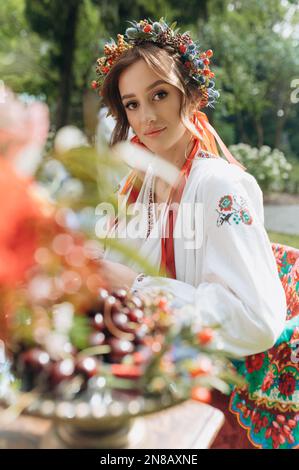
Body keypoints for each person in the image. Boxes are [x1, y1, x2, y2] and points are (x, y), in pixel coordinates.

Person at [93, 19, 299, 449]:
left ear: (191, 93)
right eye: (132, 104)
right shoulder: (138, 183)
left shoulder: (218, 186)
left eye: (159, 95)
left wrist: (137, 287)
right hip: (140, 381)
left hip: (200, 406)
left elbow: (256, 319)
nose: (146, 116)